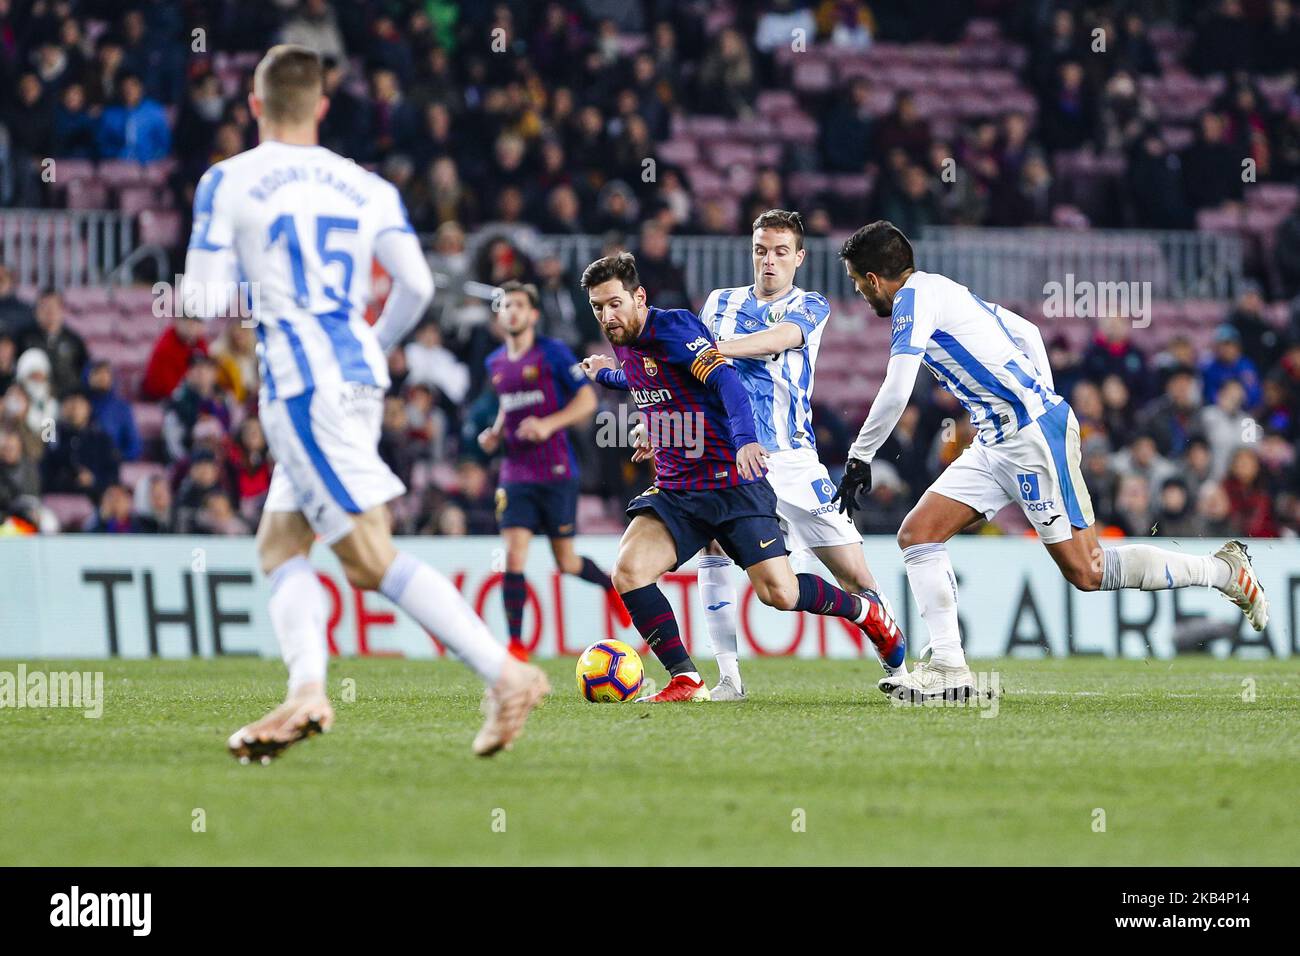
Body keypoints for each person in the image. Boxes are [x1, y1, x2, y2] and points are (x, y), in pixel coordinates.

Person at [182, 45, 547, 763]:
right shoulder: (366, 187)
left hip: (301, 386)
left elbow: (198, 300)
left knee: (366, 558)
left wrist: (243, 291)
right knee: (281, 544)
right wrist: (370, 346)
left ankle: (505, 673)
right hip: (354, 373)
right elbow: (414, 285)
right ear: (321, 107)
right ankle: (306, 691)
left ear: (254, 106)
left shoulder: (228, 180)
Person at [833, 221, 1269, 702]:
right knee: (918, 534)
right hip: (999, 437)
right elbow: (1027, 329)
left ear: (874, 279)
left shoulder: (912, 302)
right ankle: (949, 667)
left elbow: (897, 388)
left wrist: (859, 456)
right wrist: (1040, 392)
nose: (859, 292)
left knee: (1087, 571)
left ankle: (1224, 571)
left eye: (857, 281)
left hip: (1030, 437)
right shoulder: (942, 289)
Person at [580, 252, 899, 703]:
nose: (607, 316)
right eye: (597, 307)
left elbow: (725, 379)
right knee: (629, 571)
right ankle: (687, 680)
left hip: (731, 482)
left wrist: (747, 440)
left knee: (780, 593)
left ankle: (866, 612)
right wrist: (607, 376)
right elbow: (648, 379)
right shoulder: (623, 339)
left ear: (639, 297)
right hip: (678, 490)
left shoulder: (675, 327)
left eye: (614, 304)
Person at [688, 209, 906, 700]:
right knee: (714, 549)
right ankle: (728, 680)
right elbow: (692, 377)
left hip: (793, 461)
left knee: (853, 574)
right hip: (733, 458)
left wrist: (718, 348)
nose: (769, 261)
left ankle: (899, 667)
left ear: (799, 257)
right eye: (761, 250)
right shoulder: (719, 302)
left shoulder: (810, 305)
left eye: (781, 252)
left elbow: (781, 340)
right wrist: (653, 424)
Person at [477, 280, 630, 661]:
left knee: (566, 561)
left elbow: (586, 400)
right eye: (505, 305)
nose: (511, 310)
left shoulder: (553, 353)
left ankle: (611, 585)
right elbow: (507, 405)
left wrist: (547, 425)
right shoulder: (494, 363)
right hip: (515, 473)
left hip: (557, 469)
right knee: (513, 556)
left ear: (532, 315)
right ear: (500, 314)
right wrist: (495, 433)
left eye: (518, 305)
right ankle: (515, 645)